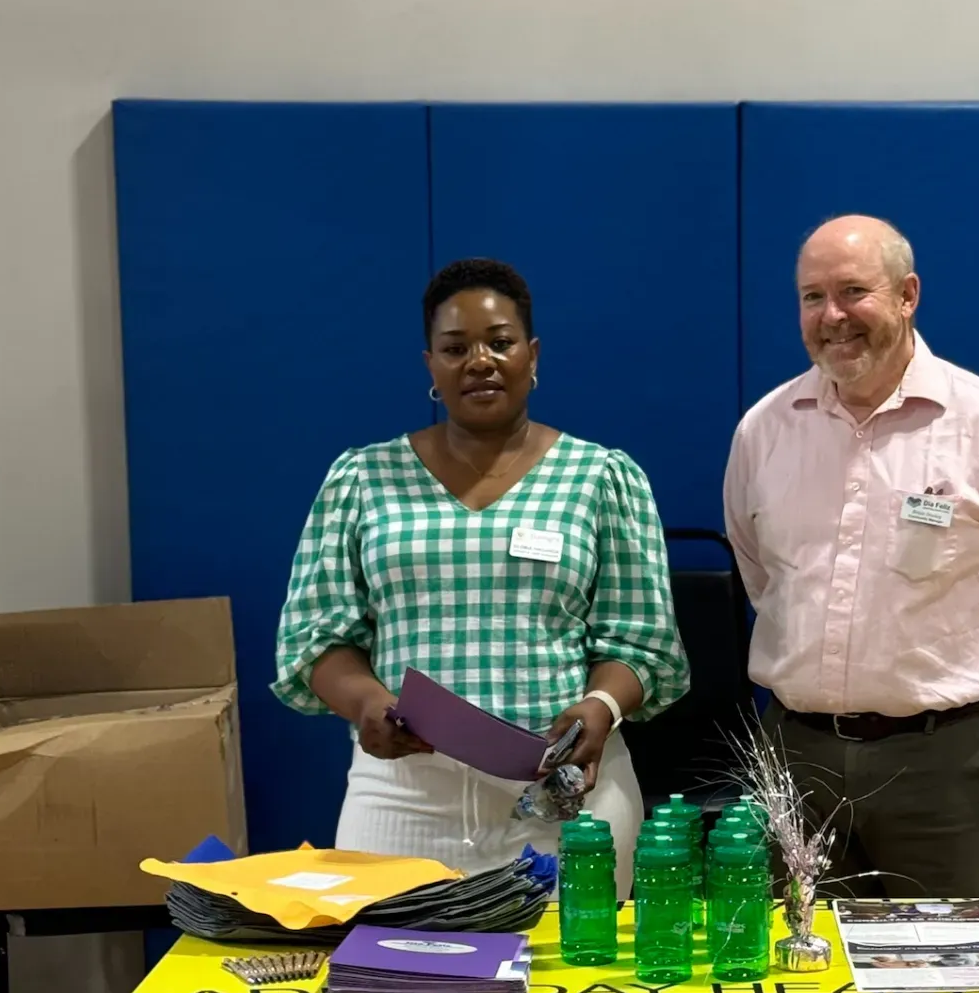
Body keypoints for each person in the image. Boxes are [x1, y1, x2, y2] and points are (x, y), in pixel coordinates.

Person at [274, 256, 688, 900]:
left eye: (500, 343)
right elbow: (316, 637)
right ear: (430, 367)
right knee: (401, 988)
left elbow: (643, 644)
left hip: (568, 796)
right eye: (455, 347)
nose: (480, 361)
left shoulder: (602, 477)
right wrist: (364, 704)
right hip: (405, 799)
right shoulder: (361, 479)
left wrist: (602, 706)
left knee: (574, 988)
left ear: (532, 354)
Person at [724, 214, 979, 898]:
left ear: (906, 295)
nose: (831, 316)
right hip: (796, 757)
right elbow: (764, 577)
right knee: (798, 979)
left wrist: (957, 689)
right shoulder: (763, 431)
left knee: (946, 981)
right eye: (811, 296)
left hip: (943, 761)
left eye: (852, 291)